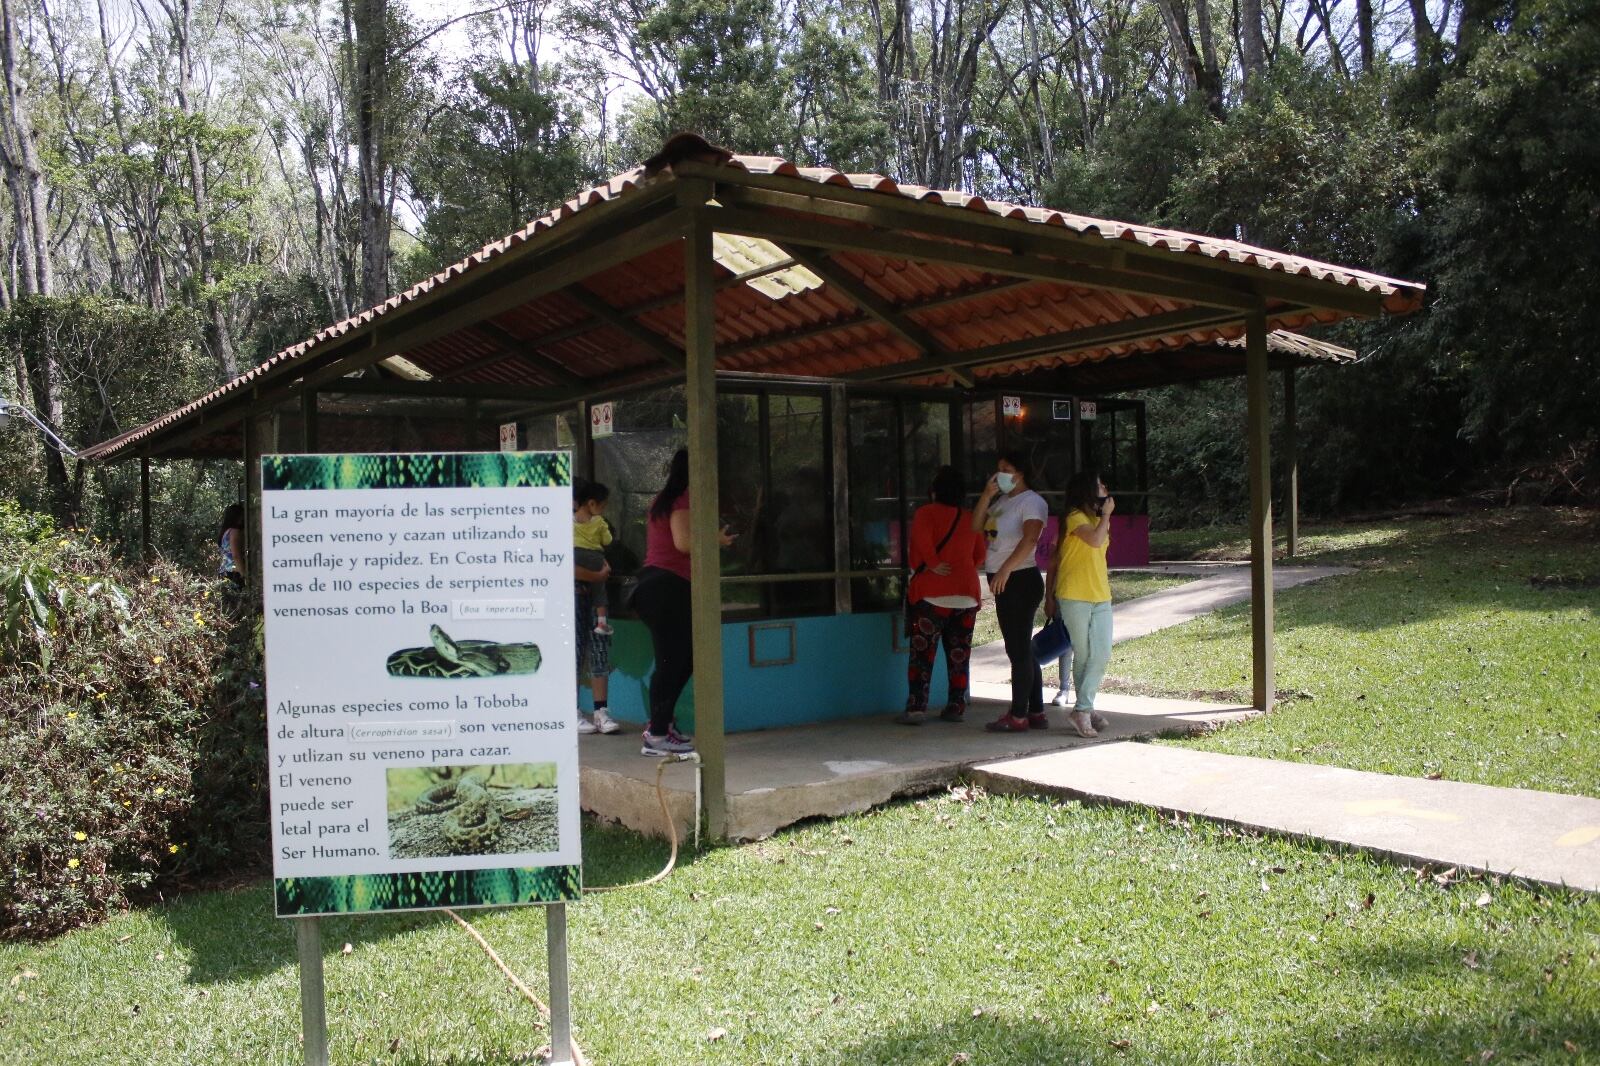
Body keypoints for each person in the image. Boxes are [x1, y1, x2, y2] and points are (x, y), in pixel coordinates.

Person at [630, 448, 736, 756]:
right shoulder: (684, 497)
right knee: (672, 662)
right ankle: (657, 736)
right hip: (667, 587)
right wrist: (716, 539)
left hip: (659, 586)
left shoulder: (665, 499)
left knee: (681, 660)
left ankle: (661, 724)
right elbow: (683, 542)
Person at [899, 465, 986, 725]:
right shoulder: (970, 517)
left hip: (931, 595)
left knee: (922, 656)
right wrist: (961, 567)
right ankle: (956, 706)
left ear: (934, 491)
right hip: (966, 595)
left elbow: (921, 541)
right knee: (959, 655)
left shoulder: (925, 513)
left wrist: (934, 563)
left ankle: (916, 707)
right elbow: (980, 555)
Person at [972, 451, 1049, 732]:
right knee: (1022, 648)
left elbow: (1030, 539)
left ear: (1020, 473)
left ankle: (1018, 715)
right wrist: (986, 496)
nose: (999, 474)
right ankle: (1036, 711)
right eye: (998, 469)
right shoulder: (1003, 502)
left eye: (1006, 469)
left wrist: (1005, 569)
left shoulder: (1032, 502)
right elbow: (975, 526)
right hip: (1004, 579)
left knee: (1017, 650)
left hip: (1020, 579)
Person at [1046, 470, 1115, 738]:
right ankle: (1084, 709)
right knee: (1084, 654)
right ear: (1086, 490)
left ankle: (1083, 708)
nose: (1104, 488)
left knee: (1101, 652)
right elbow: (1095, 541)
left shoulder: (1096, 519)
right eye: (1099, 485)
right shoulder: (1074, 517)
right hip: (1074, 594)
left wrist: (1104, 517)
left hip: (1101, 594)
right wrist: (1106, 515)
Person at [573, 481, 621, 736]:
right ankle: (572, 711)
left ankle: (601, 711)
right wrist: (597, 575)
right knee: (574, 651)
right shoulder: (563, 524)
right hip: (573, 596)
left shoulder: (596, 524)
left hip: (592, 593)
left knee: (599, 648)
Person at [573, 480, 615, 636]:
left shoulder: (569, 520)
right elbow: (607, 541)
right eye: (602, 506)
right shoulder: (599, 521)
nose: (602, 510)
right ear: (591, 503)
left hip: (574, 554)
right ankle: (601, 622)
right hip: (594, 556)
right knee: (599, 588)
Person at [217, 503, 245, 588]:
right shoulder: (234, 532)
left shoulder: (226, 532)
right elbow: (236, 555)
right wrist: (244, 574)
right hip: (233, 572)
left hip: (224, 571)